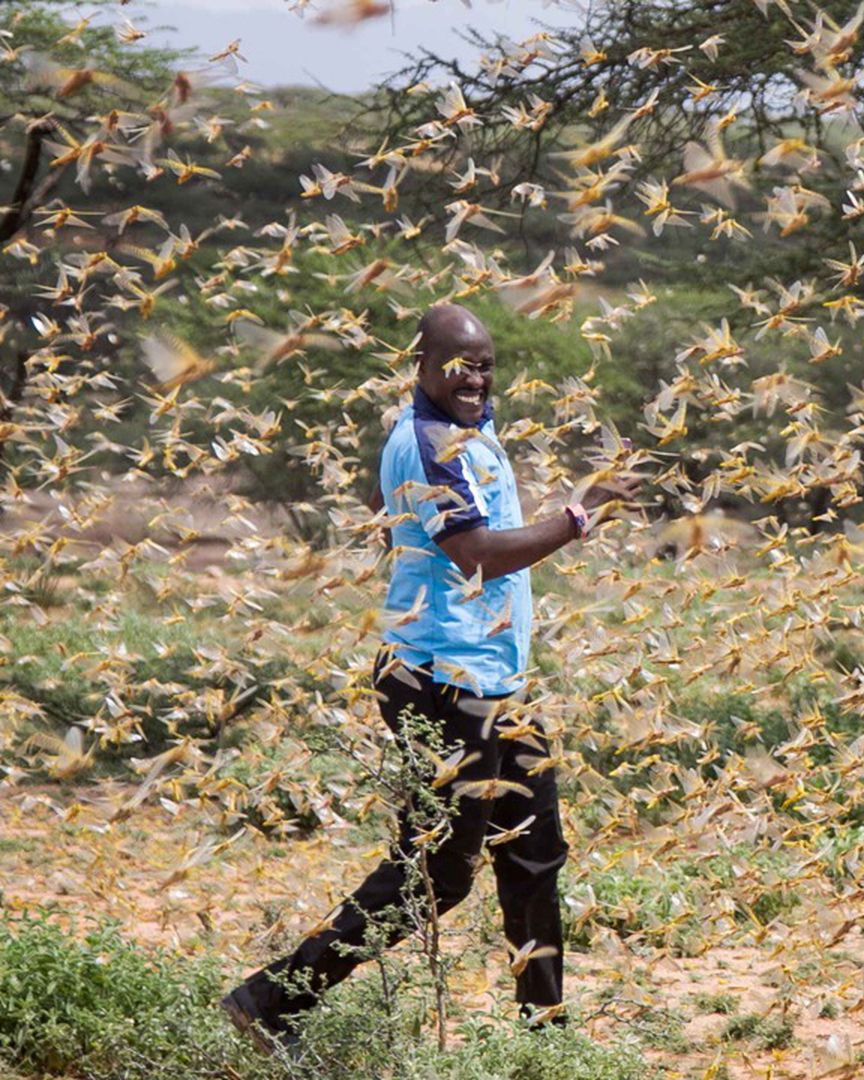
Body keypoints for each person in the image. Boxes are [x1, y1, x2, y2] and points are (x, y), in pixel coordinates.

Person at [221, 304, 633, 1056]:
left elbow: (393, 516)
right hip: (441, 681)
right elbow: (475, 551)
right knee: (440, 871)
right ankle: (269, 1000)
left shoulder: (466, 432)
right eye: (460, 364)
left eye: (485, 365)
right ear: (423, 365)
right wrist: (577, 519)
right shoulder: (426, 441)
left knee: (536, 850)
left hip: (492, 682)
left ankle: (543, 1039)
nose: (475, 377)